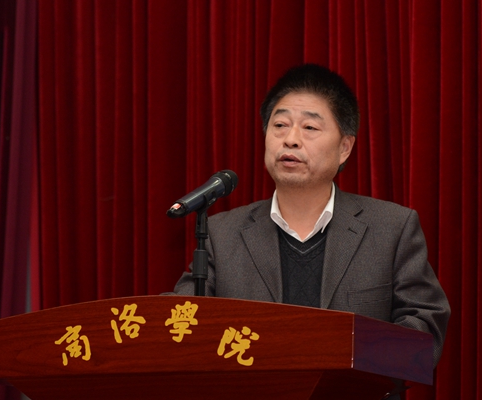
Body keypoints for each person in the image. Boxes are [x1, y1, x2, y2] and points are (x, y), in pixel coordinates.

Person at [171, 64, 450, 375]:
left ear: (344, 147)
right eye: (280, 125)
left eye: (310, 128)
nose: (290, 139)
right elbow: (178, 320)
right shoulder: (222, 234)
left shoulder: (391, 228)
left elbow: (425, 329)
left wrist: (346, 356)